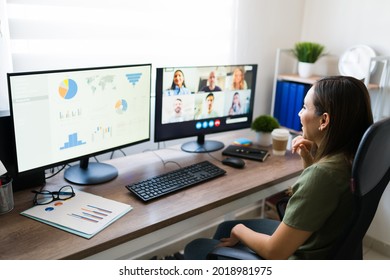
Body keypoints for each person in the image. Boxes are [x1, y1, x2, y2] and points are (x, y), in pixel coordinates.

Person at [184, 76, 373, 260]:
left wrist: (238, 230)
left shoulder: (323, 174)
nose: (299, 113)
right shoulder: (353, 158)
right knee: (224, 230)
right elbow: (321, 198)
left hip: (296, 256)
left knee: (198, 246)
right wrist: (308, 159)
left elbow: (275, 253)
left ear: (324, 121)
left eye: (305, 107)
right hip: (323, 247)